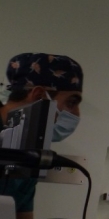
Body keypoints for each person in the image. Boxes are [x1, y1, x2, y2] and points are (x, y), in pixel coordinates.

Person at [0, 52, 84, 219]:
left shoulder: (29, 151)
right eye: (71, 102)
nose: (76, 114)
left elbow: (22, 212)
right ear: (39, 96)